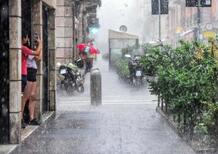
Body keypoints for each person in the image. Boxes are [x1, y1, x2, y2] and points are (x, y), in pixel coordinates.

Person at [21, 32, 42, 128]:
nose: (29, 39)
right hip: (28, 72)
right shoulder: (25, 49)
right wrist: (40, 44)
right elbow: (37, 55)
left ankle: (31, 118)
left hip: (33, 73)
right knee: (25, 97)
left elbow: (39, 58)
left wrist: (38, 46)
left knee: (33, 96)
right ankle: (21, 118)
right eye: (28, 38)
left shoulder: (29, 49)